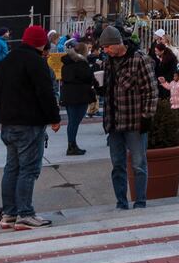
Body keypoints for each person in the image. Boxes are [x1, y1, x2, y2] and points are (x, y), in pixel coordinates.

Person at [0, 24, 61, 229]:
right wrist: (54, 118)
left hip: (7, 123)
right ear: (41, 44)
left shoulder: (8, 60)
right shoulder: (36, 63)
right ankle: (25, 213)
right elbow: (45, 93)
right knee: (28, 170)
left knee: (11, 168)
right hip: (29, 123)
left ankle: (9, 214)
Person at [98, 24, 155, 210]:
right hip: (114, 122)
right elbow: (108, 89)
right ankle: (121, 202)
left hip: (134, 121)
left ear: (117, 43)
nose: (105, 51)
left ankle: (140, 201)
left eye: (107, 47)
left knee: (139, 164)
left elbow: (151, 90)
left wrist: (147, 116)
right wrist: (99, 89)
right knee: (117, 165)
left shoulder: (139, 60)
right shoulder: (108, 62)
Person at [59, 39, 94, 156]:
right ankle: (71, 145)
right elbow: (88, 77)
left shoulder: (67, 63)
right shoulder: (82, 64)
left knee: (72, 121)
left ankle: (72, 144)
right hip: (80, 95)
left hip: (68, 95)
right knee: (75, 121)